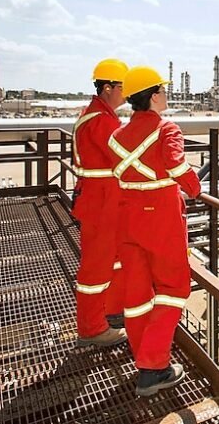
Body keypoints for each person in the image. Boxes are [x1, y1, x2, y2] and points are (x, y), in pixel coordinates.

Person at [109, 65, 201, 397]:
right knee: (174, 288)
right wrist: (194, 188)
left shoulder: (116, 135)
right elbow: (177, 166)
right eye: (162, 90)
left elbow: (116, 172)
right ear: (152, 96)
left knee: (136, 296)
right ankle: (153, 367)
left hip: (128, 216)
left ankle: (142, 357)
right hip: (160, 215)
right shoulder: (167, 129)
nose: (166, 95)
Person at [73, 58, 128, 347]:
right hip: (101, 203)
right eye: (123, 87)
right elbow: (125, 159)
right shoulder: (101, 121)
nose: (127, 93)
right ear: (107, 88)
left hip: (104, 201)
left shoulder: (98, 115)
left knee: (113, 261)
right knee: (96, 267)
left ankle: (111, 312)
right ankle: (92, 328)